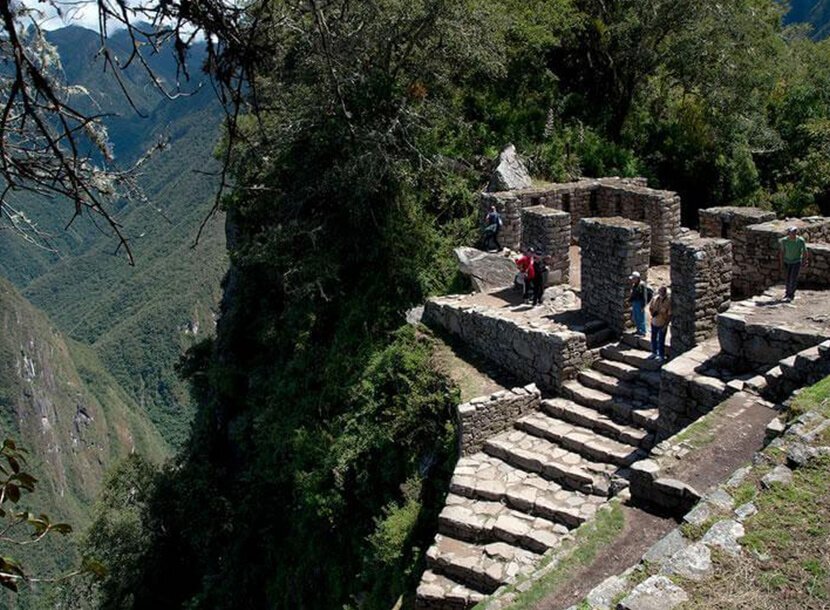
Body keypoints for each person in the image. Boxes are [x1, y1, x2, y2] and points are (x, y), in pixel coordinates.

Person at [778, 226, 811, 301]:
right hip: (787, 261)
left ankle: (790, 294)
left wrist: (804, 261)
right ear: (789, 233)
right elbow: (782, 252)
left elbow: (805, 251)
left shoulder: (800, 240)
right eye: (792, 232)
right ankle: (787, 293)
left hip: (796, 262)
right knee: (787, 278)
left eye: (795, 232)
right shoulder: (784, 241)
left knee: (793, 278)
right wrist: (781, 263)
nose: (793, 234)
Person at [648, 286, 671, 362]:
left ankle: (661, 355)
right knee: (653, 338)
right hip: (654, 322)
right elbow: (650, 307)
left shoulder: (668, 301)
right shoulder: (655, 299)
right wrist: (652, 313)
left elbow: (669, 315)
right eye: (660, 291)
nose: (660, 293)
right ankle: (654, 352)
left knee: (661, 340)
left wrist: (666, 325)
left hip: (662, 323)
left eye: (662, 291)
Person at [629, 271, 648, 336]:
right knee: (636, 317)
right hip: (635, 302)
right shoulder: (634, 285)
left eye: (633, 279)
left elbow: (644, 296)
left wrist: (643, 306)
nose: (632, 280)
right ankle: (638, 330)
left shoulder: (642, 285)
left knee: (640, 318)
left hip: (640, 303)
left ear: (637, 278)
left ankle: (642, 332)